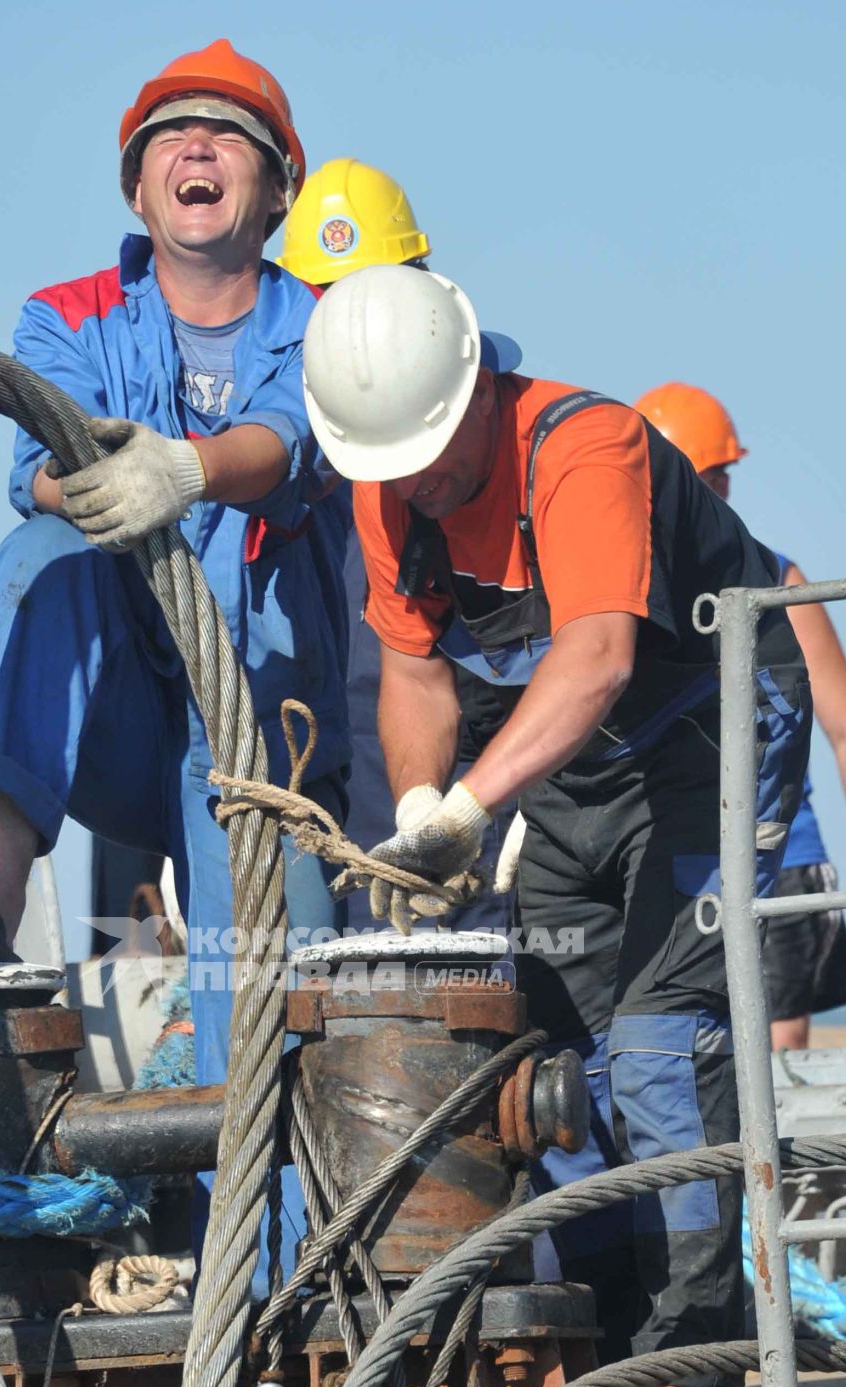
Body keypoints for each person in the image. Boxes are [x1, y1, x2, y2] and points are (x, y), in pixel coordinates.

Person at [302, 266, 811, 1387]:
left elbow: (588, 659)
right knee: (560, 1066)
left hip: (709, 739)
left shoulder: (585, 451)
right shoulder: (386, 490)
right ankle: (601, 1354)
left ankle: (690, 1374)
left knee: (659, 1049)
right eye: (388, 467)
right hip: (576, 773)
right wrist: (424, 799)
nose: (411, 482)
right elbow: (417, 676)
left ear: (476, 387)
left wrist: (471, 803)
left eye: (424, 456)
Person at [0, 40, 351, 1262]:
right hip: (113, 704)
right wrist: (76, 477)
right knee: (35, 563)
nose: (196, 149)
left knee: (263, 1001)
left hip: (254, 724)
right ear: (139, 192)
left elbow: (295, 442)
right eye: (169, 138)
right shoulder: (69, 315)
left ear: (277, 186)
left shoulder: (326, 327)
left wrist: (191, 468)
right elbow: (32, 464)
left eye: (228, 135)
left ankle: (271, 1299)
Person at [279, 158, 524, 931]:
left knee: (482, 973)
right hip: (346, 770)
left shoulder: (479, 412)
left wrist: (532, 801)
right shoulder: (275, 445)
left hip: (477, 759)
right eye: (324, 297)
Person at [636, 382, 846, 1048]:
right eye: (710, 476)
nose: (719, 492)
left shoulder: (778, 581)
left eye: (721, 477)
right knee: (677, 1057)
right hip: (667, 857)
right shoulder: (625, 592)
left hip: (782, 856)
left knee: (777, 1068)